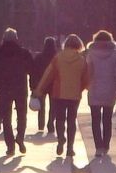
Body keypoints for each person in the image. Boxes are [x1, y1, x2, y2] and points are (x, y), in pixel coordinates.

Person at [34, 31, 90, 159]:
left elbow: (48, 75)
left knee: (60, 120)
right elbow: (86, 80)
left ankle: (60, 139)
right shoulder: (82, 60)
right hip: (74, 95)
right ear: (79, 45)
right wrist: (81, 89)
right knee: (71, 121)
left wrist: (39, 90)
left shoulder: (58, 58)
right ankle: (70, 148)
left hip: (58, 94)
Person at [0, 28, 33, 156]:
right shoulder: (23, 53)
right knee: (22, 114)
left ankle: (10, 146)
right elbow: (31, 70)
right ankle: (20, 137)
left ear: (3, 39)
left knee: (6, 117)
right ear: (16, 38)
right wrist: (33, 87)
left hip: (3, 89)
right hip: (20, 88)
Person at [85, 29, 116, 155]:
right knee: (107, 120)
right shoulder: (114, 53)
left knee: (95, 120)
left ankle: (98, 147)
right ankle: (106, 146)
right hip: (109, 90)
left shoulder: (91, 53)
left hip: (94, 89)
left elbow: (87, 71)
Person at [29, 35, 59, 137]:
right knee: (53, 106)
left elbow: (33, 72)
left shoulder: (39, 57)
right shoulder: (57, 58)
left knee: (41, 106)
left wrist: (32, 86)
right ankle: (50, 123)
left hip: (41, 84)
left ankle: (40, 124)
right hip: (54, 84)